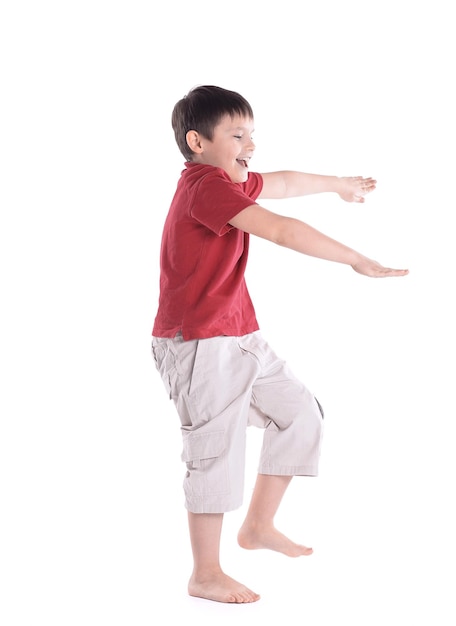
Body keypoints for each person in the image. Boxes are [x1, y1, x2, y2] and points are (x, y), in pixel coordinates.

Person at [151, 85, 409, 604]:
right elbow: (281, 229)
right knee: (214, 451)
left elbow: (286, 183)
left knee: (301, 416)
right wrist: (355, 259)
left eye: (253, 134)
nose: (251, 144)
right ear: (197, 142)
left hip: (240, 334)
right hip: (200, 343)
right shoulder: (206, 187)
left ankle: (258, 526)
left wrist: (339, 185)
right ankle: (205, 573)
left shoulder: (230, 179)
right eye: (238, 135)